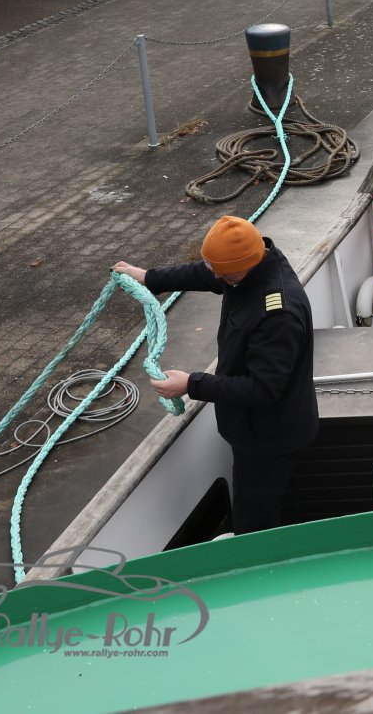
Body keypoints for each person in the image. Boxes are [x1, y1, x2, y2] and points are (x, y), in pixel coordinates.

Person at [114, 215, 318, 535]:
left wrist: (191, 384)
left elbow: (263, 389)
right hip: (261, 429)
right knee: (279, 507)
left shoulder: (278, 313)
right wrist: (149, 277)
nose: (217, 277)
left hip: (270, 440)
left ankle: (258, 562)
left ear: (243, 266)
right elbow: (208, 273)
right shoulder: (252, 264)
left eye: (223, 273)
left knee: (255, 523)